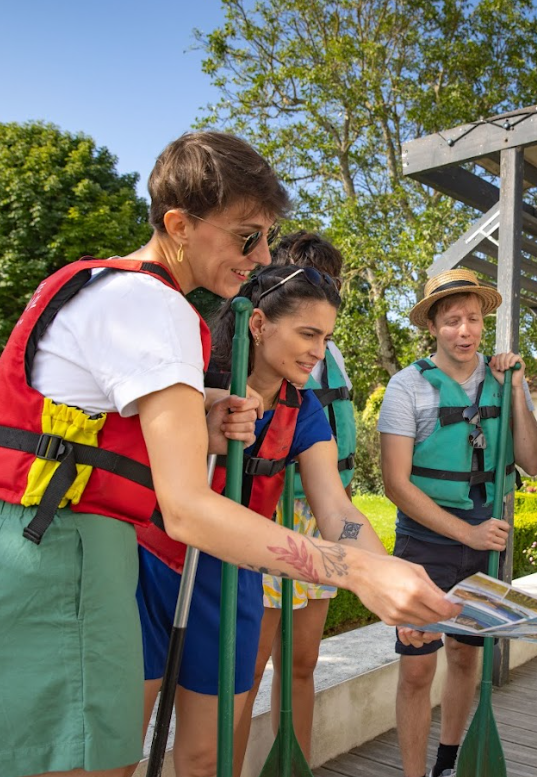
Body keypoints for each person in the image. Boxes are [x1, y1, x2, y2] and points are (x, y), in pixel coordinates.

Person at [0, 131, 457, 777]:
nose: (260, 256)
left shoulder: (105, 286)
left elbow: (91, 429)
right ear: (179, 224)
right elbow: (185, 509)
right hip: (60, 566)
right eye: (247, 236)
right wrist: (358, 570)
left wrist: (199, 413)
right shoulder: (154, 305)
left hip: (33, 554)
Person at [136, 257, 391, 777]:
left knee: (206, 757)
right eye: (307, 334)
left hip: (232, 581)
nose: (319, 352)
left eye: (325, 338)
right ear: (259, 324)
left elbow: (336, 509)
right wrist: (206, 405)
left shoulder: (304, 409)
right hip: (154, 568)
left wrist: (386, 573)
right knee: (114, 755)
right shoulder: (192, 377)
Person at [379, 269, 537, 777]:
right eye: (452, 320)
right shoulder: (407, 386)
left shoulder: (502, 381)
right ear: (433, 325)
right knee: (416, 667)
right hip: (425, 543)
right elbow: (395, 484)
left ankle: (447, 764)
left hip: (485, 542)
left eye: (473, 318)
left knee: (466, 660)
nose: (464, 330)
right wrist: (466, 534)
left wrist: (516, 389)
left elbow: (534, 462)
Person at [233, 232, 358, 771]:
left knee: (301, 663)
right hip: (258, 523)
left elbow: (338, 504)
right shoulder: (229, 367)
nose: (318, 345)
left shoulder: (317, 375)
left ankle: (294, 766)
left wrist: (368, 564)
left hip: (315, 522)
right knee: (246, 670)